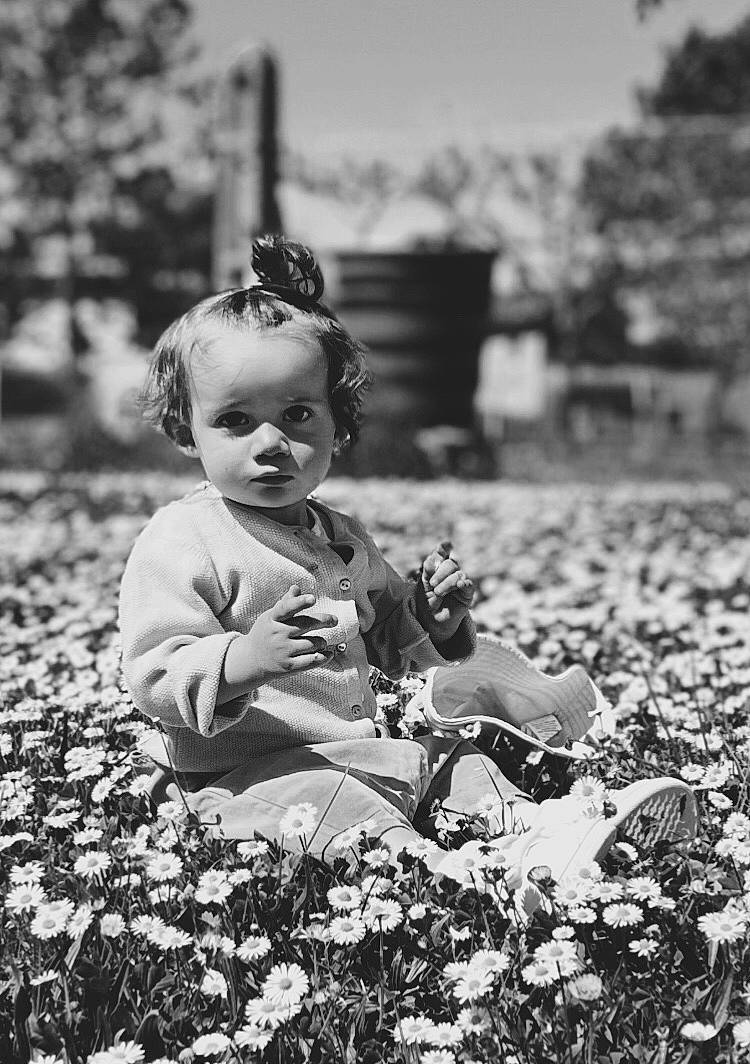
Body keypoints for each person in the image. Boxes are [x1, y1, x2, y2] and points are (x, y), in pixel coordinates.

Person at [118, 235, 696, 908]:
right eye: (236, 421)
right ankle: (455, 878)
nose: (271, 443)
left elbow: (390, 625)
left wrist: (434, 619)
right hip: (239, 779)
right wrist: (242, 660)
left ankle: (533, 833)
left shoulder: (338, 533)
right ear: (190, 431)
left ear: (340, 423)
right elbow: (154, 669)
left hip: (355, 756)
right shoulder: (184, 538)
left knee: (453, 759)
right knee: (338, 806)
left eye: (298, 415)